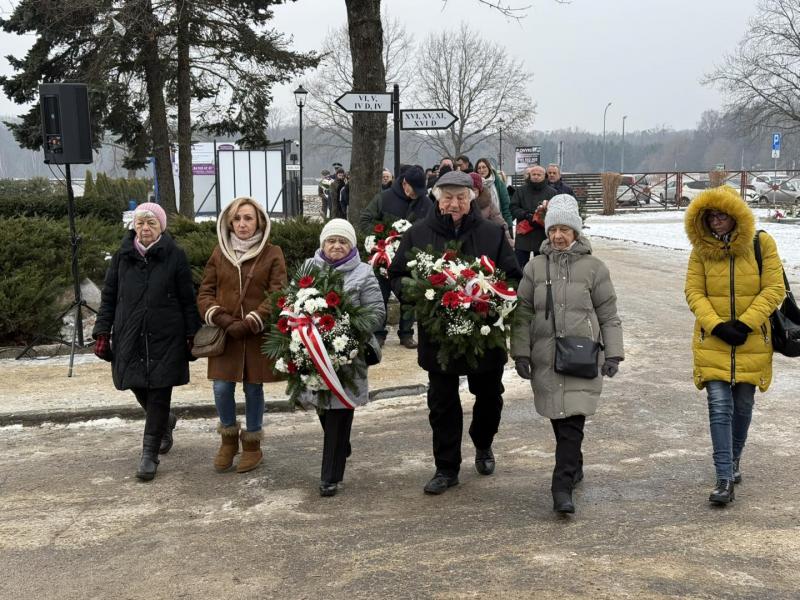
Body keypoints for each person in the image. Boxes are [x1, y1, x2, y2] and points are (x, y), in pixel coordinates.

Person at [389, 170, 522, 495]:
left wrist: (491, 297)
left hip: (484, 333)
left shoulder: (491, 233)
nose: (454, 204)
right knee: (442, 403)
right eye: (447, 197)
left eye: (461, 197)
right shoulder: (418, 234)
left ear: (471, 199)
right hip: (439, 335)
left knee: (489, 396)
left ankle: (483, 441)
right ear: (437, 199)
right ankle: (446, 468)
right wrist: (420, 295)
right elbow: (398, 274)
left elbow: (513, 276)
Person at [511, 194, 624, 514]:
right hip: (546, 357)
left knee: (572, 420)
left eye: (564, 229)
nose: (558, 236)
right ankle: (574, 464)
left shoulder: (594, 268)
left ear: (576, 231)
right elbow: (522, 312)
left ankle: (561, 488)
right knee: (559, 420)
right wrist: (521, 353)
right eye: (553, 230)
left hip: (581, 356)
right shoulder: (535, 267)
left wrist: (613, 354)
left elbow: (609, 315)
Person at [684, 187, 784, 505]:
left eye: (722, 215)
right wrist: (717, 325)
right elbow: (693, 291)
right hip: (712, 340)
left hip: (751, 339)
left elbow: (774, 288)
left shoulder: (761, 243)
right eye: (710, 216)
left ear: (736, 215)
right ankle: (724, 477)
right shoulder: (701, 249)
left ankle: (735, 457)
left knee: (742, 406)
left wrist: (744, 324)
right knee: (718, 405)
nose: (716, 221)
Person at [93, 203, 200, 481]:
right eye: (140, 223)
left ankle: (149, 454)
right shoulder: (121, 256)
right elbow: (108, 297)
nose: (145, 228)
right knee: (135, 382)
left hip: (167, 335)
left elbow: (188, 299)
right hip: (129, 333)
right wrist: (102, 331)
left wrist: (192, 334)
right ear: (134, 226)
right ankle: (165, 420)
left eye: (151, 223)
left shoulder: (175, 255)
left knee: (160, 390)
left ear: (161, 227)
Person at [197, 197, 288, 474]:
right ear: (229, 223)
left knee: (253, 388)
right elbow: (205, 293)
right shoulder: (219, 253)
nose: (242, 224)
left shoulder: (272, 253)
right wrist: (223, 319)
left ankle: (252, 445)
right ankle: (228, 440)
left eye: (248, 218)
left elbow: (279, 293)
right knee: (221, 388)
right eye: (237, 219)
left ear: (259, 221)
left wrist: (253, 320)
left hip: (256, 334)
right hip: (226, 336)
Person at [300, 219, 385, 496]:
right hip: (314, 355)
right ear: (323, 244)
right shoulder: (308, 268)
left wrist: (346, 328)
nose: (336, 246)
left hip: (348, 356)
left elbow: (377, 313)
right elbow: (293, 302)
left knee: (339, 411)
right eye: (331, 240)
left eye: (343, 241)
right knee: (324, 410)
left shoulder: (364, 273)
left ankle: (330, 477)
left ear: (351, 246)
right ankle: (340, 444)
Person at [360, 164, 432, 349]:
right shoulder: (384, 198)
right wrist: (382, 235)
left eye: (420, 191)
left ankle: (406, 333)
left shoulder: (426, 203)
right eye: (414, 190)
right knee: (380, 296)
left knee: (409, 296)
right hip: (384, 257)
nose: (417, 194)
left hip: (410, 259)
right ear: (405, 183)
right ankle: (379, 333)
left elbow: (433, 226)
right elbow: (365, 220)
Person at [510, 164, 557, 269]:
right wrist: (526, 215)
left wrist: (542, 218)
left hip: (542, 235)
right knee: (520, 267)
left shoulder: (552, 192)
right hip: (523, 233)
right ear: (529, 176)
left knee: (542, 268)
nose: (536, 176)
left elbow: (555, 211)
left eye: (539, 175)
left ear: (544, 176)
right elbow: (513, 207)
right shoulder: (520, 191)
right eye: (533, 174)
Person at [470, 172, 512, 245]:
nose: (472, 193)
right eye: (469, 189)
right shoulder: (461, 204)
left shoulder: (488, 203)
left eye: (474, 189)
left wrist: (508, 241)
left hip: (485, 241)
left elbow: (500, 223)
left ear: (479, 189)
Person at [475, 157, 513, 228]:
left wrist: (509, 224)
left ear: (489, 168)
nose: (481, 170)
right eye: (479, 168)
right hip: (479, 223)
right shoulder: (474, 185)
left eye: (484, 167)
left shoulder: (499, 184)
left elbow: (505, 205)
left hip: (498, 221)